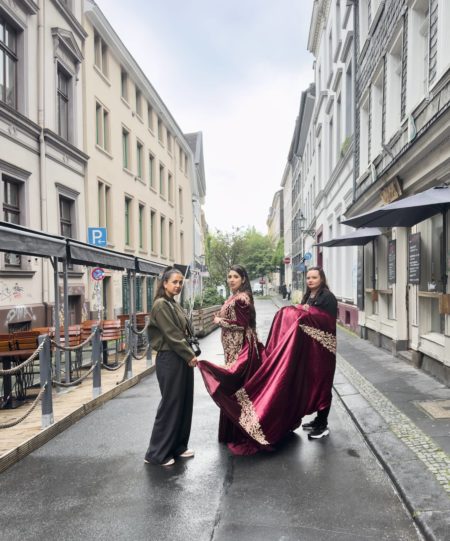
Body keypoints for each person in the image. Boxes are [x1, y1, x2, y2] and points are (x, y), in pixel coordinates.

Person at [198, 266, 337, 454]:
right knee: (306, 382)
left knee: (320, 382)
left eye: (314, 277)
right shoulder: (308, 296)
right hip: (307, 349)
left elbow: (322, 320)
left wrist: (219, 321)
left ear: (322, 278)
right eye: (308, 277)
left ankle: (322, 423)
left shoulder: (327, 297)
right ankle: (318, 421)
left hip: (321, 350)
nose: (310, 280)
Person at [199, 265, 264, 455]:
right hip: (231, 348)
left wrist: (220, 321)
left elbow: (241, 326)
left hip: (239, 349)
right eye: (229, 276)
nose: (231, 279)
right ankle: (233, 431)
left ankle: (242, 433)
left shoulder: (242, 298)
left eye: (235, 276)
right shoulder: (234, 296)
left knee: (237, 386)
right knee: (234, 387)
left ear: (243, 279)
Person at [144, 267, 198, 467]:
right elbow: (172, 334)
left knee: (184, 402)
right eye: (174, 282)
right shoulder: (160, 305)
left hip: (180, 357)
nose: (177, 286)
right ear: (164, 283)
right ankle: (156, 453)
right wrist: (189, 354)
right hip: (170, 358)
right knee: (171, 404)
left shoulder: (173, 303)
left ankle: (178, 446)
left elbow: (185, 329)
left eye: (180, 283)